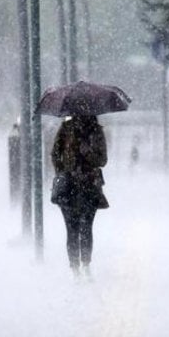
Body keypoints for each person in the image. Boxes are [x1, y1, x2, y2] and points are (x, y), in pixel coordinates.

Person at [51, 115, 109, 280]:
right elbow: (55, 154)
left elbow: (102, 160)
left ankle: (86, 263)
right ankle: (75, 267)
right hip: (69, 187)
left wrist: (87, 152)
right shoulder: (66, 129)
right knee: (72, 228)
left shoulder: (96, 131)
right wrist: (63, 172)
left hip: (89, 185)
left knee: (86, 228)